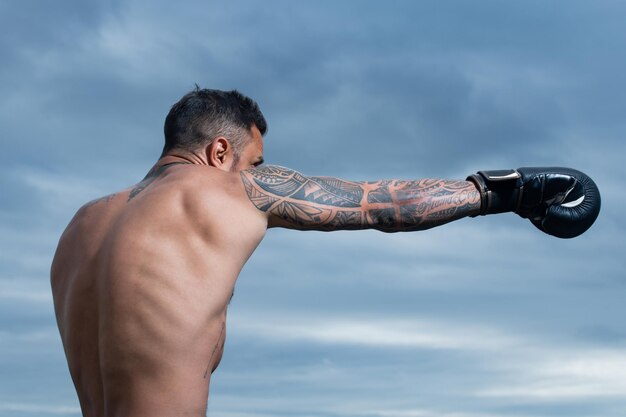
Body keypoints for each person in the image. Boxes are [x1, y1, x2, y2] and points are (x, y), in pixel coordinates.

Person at [50, 88, 600, 417]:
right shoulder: (225, 187)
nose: (261, 174)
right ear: (221, 150)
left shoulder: (81, 226)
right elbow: (377, 205)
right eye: (256, 161)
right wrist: (506, 191)